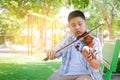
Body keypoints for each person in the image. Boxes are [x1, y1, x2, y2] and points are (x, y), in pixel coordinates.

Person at [47, 10, 103, 80]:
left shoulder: (93, 41)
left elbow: (97, 66)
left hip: (87, 75)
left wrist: (89, 58)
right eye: (73, 25)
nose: (77, 27)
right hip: (67, 75)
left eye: (80, 24)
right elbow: (55, 53)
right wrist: (51, 53)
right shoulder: (67, 40)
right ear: (69, 27)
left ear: (86, 24)